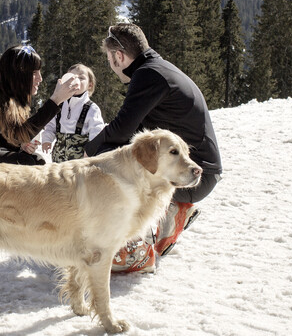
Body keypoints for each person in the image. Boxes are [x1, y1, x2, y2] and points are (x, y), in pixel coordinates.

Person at [85, 22, 222, 273]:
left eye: (109, 58)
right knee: (125, 155)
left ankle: (137, 253)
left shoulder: (149, 75)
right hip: (197, 172)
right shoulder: (156, 69)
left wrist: (87, 154)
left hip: (194, 176)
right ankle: (173, 213)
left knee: (110, 166)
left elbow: (121, 130)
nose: (110, 64)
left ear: (119, 56)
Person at [41, 63, 106, 162]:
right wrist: (47, 140)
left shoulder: (91, 108)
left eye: (81, 78)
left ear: (90, 85)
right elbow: (50, 126)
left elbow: (96, 131)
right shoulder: (59, 105)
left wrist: (92, 150)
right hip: (58, 158)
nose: (76, 81)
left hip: (80, 161)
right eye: (72, 77)